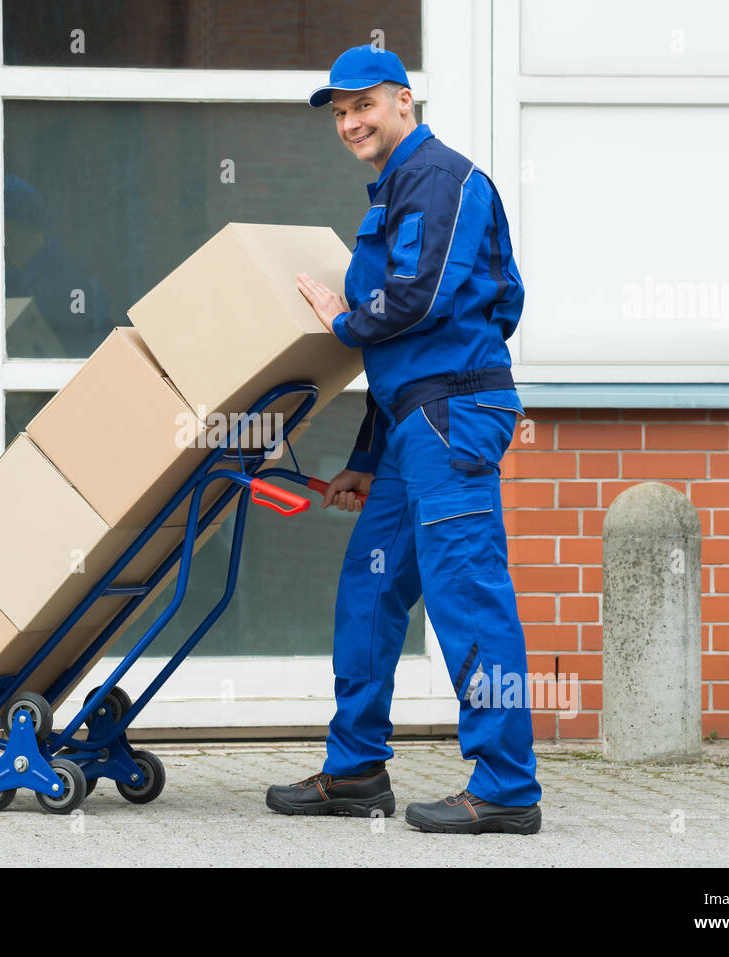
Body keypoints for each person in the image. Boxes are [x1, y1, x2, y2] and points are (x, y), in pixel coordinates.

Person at [266, 44, 542, 834]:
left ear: (403, 104)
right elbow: (401, 351)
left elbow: (417, 304)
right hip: (411, 423)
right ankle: (355, 769)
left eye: (364, 105)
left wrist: (344, 319)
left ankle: (506, 787)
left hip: (451, 418)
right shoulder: (390, 194)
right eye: (341, 112)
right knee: (370, 586)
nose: (351, 121)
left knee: (469, 595)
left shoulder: (442, 178)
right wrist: (362, 459)